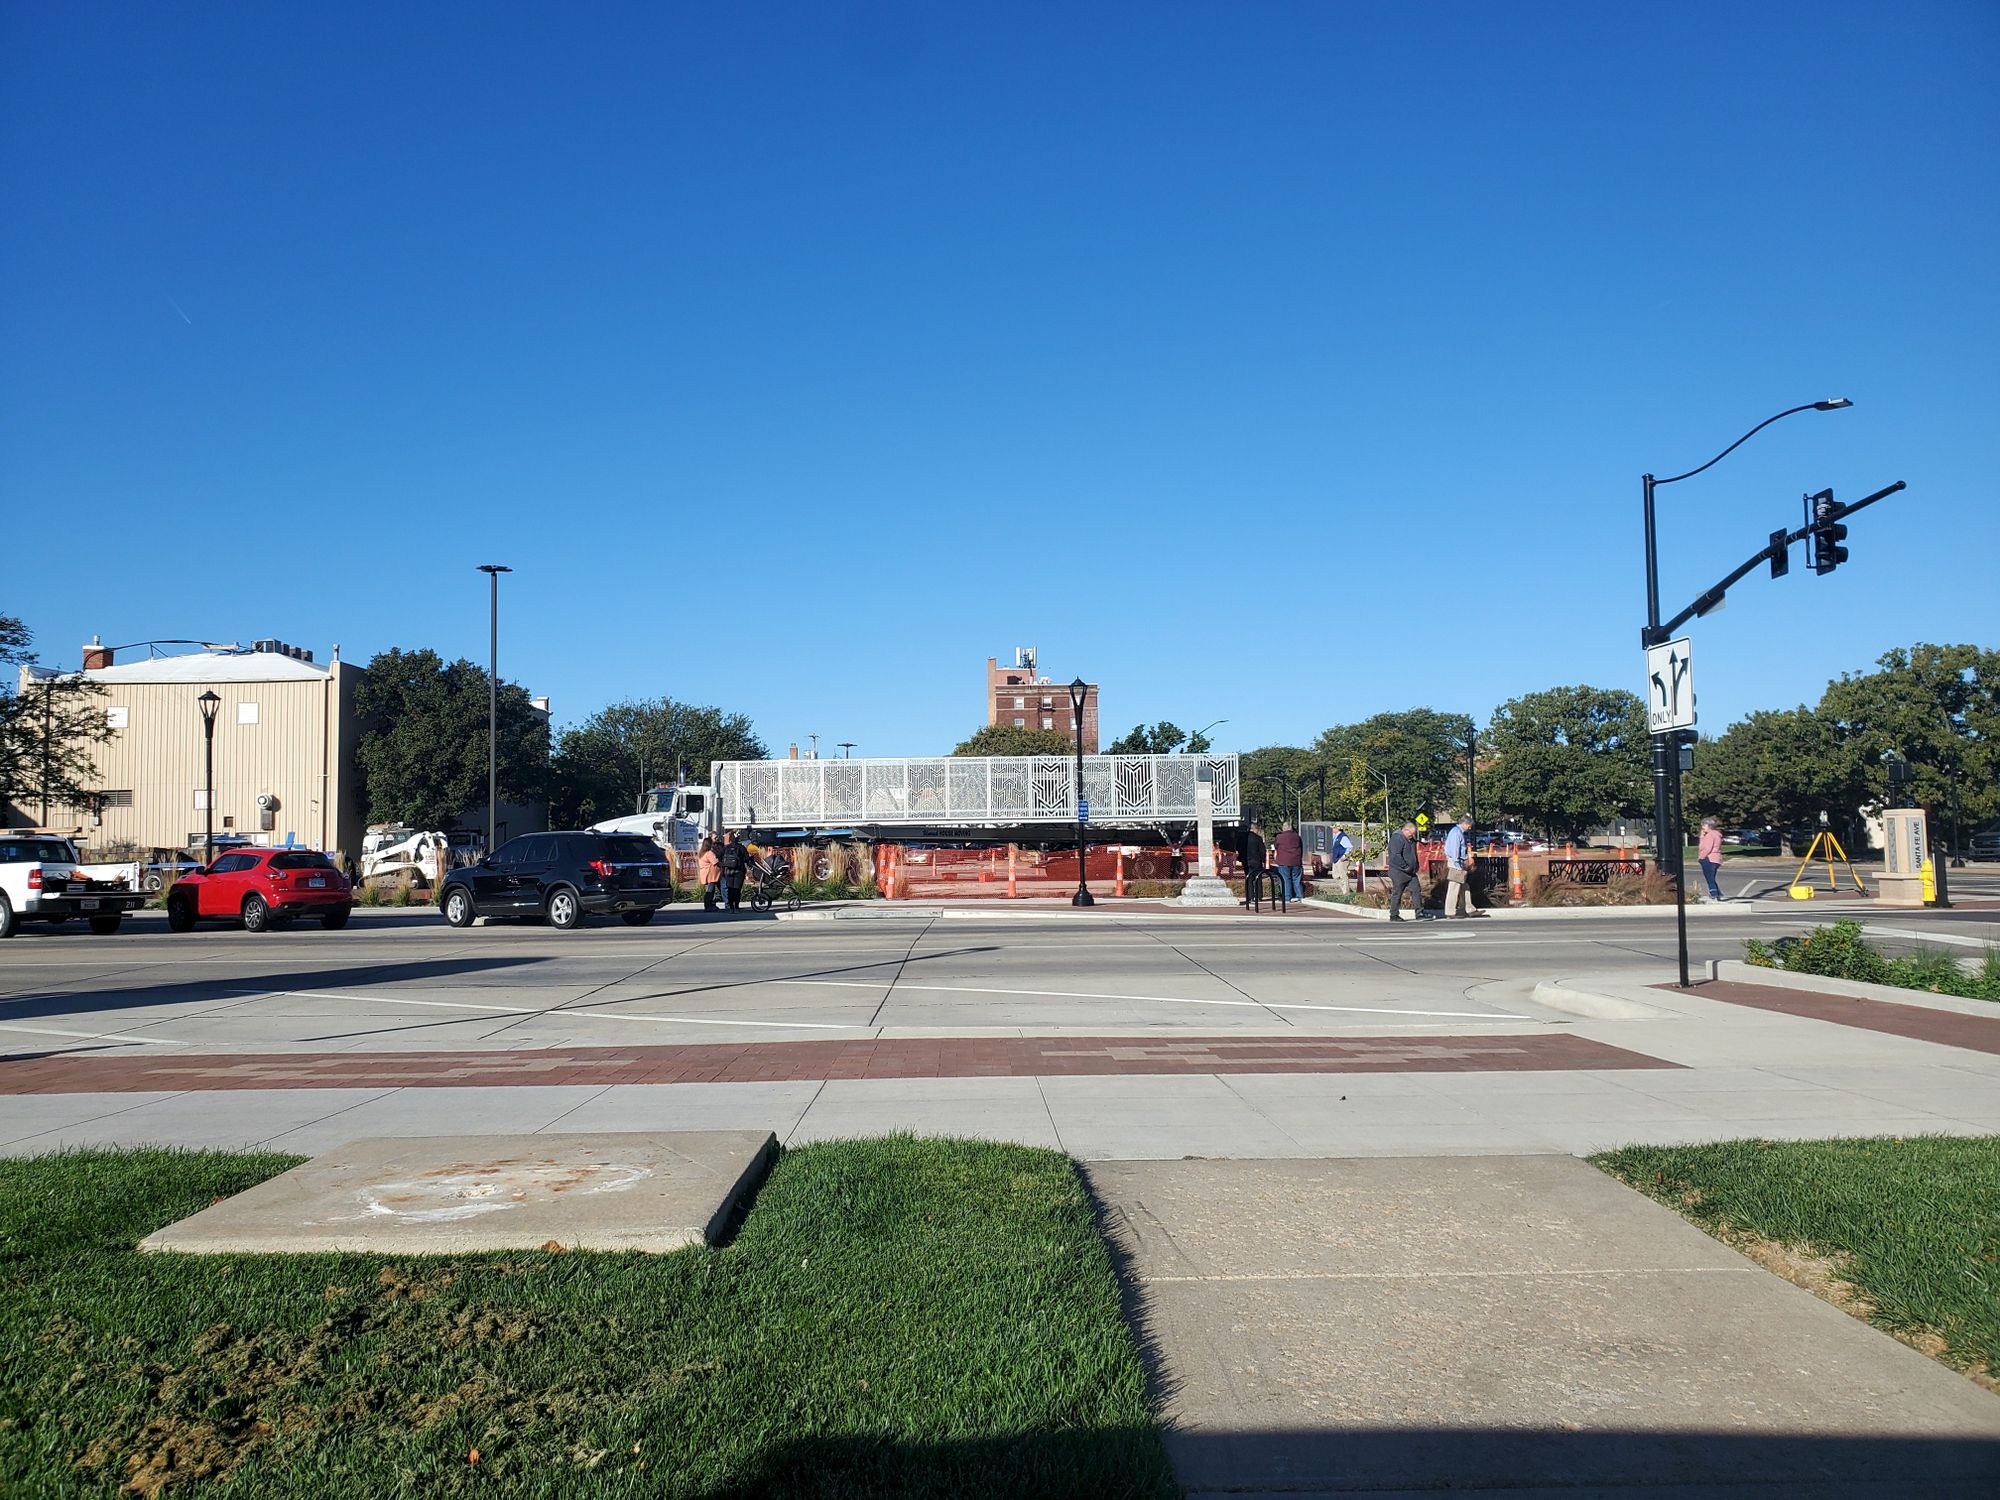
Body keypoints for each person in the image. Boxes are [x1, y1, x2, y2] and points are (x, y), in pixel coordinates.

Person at [1387, 820, 1434, 921]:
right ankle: (1394, 914)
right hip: (1398, 871)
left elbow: (1413, 853)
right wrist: (1405, 866)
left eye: (1413, 834)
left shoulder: (1410, 840)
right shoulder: (1397, 838)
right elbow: (1395, 856)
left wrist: (1415, 865)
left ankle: (1419, 912)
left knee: (1416, 890)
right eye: (1411, 833)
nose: (1412, 836)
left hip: (1410, 872)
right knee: (1397, 892)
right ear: (1405, 830)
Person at [1442, 814, 1480, 918]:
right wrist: (1458, 866)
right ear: (1464, 823)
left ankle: (1469, 908)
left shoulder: (1457, 832)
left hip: (1458, 862)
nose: (1470, 827)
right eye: (1469, 825)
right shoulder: (1456, 833)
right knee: (1454, 887)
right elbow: (1455, 850)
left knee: (1464, 886)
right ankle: (1450, 912)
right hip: (1456, 863)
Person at [719, 830, 751, 911]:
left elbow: (718, 856)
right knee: (737, 889)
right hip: (739, 871)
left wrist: (724, 863)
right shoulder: (741, 848)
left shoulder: (726, 847)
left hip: (728, 870)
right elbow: (747, 859)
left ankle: (730, 906)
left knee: (730, 888)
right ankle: (736, 906)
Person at [1272, 820, 1304, 904]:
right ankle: (1299, 896)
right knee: (1297, 879)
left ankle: (1287, 897)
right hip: (1296, 861)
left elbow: (1275, 846)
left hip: (1284, 861)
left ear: (1283, 828)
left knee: (1285, 879)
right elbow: (1301, 847)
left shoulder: (1279, 837)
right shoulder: (1297, 836)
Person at [1241, 822, 1268, 910]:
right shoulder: (1258, 838)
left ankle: (1249, 896)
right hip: (1256, 861)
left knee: (1248, 878)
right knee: (1258, 878)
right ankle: (1258, 895)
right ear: (1255, 829)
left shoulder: (1243, 837)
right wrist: (1264, 860)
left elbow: (1238, 847)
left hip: (1246, 860)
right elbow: (1262, 851)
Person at [1698, 816, 1725, 901]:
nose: (1702, 827)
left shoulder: (1710, 835)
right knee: (1712, 878)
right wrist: (1702, 836)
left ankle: (1713, 894)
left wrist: (1702, 857)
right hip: (1716, 859)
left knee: (1709, 878)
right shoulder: (1716, 835)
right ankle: (1718, 893)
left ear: (1709, 825)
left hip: (1709, 858)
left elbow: (1706, 848)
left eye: (1704, 825)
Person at [697, 837, 721, 912]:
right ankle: (708, 906)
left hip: (704, 874)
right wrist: (723, 865)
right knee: (710, 891)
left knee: (709, 891)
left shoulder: (701, 853)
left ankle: (709, 905)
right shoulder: (709, 853)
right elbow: (715, 862)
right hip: (710, 874)